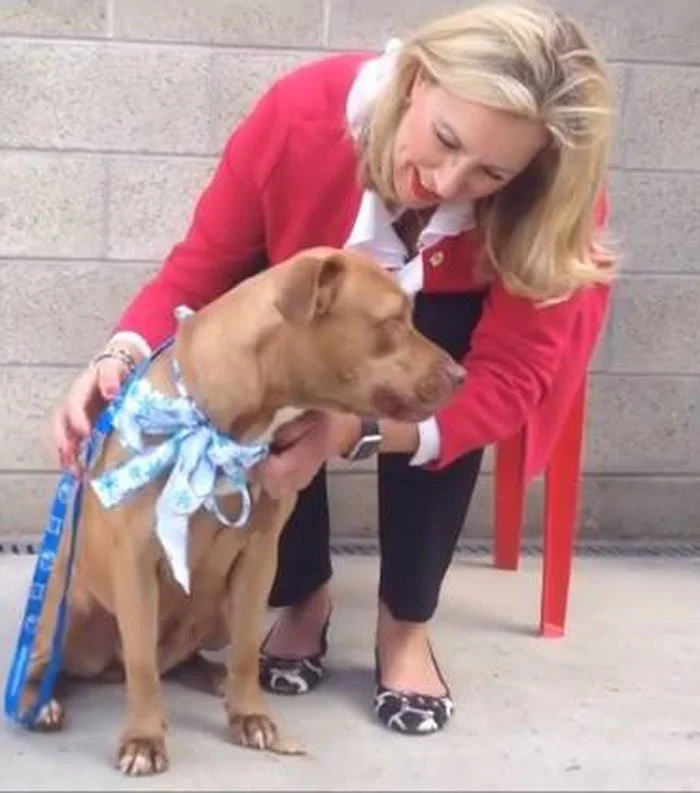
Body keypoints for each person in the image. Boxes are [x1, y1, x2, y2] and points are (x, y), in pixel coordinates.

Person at [52, 1, 616, 736]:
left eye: (491, 173)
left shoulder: (553, 205)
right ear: (416, 79)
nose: (448, 181)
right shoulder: (301, 116)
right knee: (269, 327)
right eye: (446, 139)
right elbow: (201, 270)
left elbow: (503, 382)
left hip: (448, 343)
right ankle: (302, 594)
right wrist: (119, 357)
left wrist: (355, 431)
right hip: (318, 321)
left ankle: (405, 625)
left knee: (439, 362)